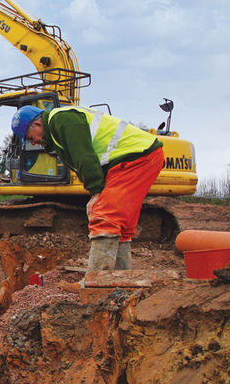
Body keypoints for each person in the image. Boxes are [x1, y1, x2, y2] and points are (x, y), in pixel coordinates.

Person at [11, 105, 164, 271]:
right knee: (121, 224)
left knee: (104, 215)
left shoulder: (62, 120)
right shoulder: (58, 130)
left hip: (136, 158)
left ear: (38, 124)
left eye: (30, 137)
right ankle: (120, 277)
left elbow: (83, 156)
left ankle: (97, 280)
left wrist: (96, 192)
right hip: (135, 158)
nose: (33, 142)